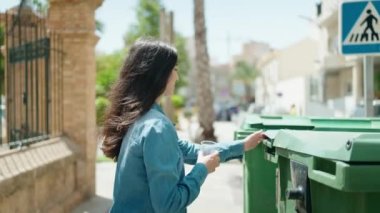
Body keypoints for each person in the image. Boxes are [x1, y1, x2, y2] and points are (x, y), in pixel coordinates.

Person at [101, 39, 265, 213]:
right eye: (174, 69)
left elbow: (192, 151)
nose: (177, 77)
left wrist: (241, 145)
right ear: (160, 74)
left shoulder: (137, 118)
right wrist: (202, 170)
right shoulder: (156, 127)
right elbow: (169, 204)